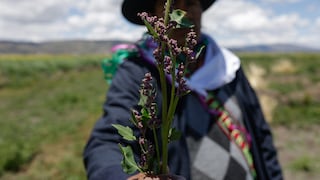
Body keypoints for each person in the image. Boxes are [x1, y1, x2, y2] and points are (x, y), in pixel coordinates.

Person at [83, 0, 283, 179]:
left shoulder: (226, 66)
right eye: (172, 4)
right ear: (153, 16)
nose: (183, 13)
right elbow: (108, 140)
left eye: (190, 3)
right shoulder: (138, 71)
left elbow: (260, 133)